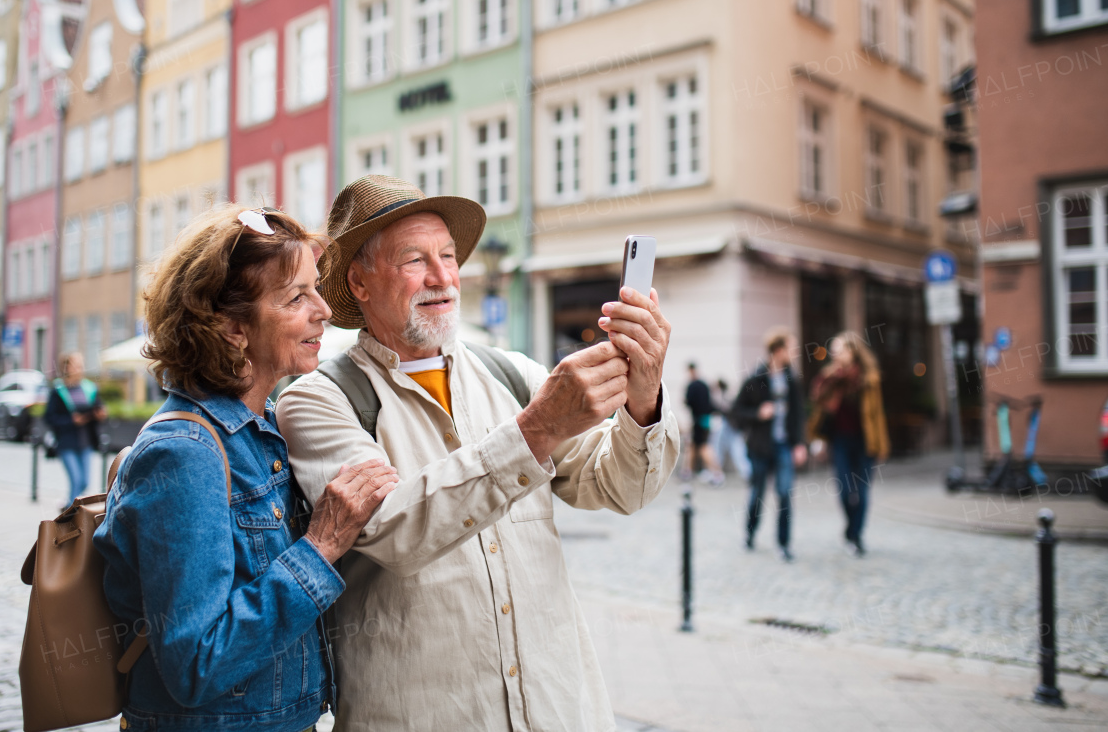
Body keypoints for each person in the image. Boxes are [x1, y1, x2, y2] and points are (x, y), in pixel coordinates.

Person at [279, 175, 678, 732]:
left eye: (448, 255)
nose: (443, 276)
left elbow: (623, 488)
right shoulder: (317, 400)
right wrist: (535, 431)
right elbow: (395, 531)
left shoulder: (513, 373)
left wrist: (643, 400)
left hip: (558, 709)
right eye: (415, 259)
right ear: (360, 283)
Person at [94, 206, 399, 731]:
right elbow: (196, 663)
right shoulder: (185, 454)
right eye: (297, 297)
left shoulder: (268, 427)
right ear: (234, 327)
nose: (324, 310)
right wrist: (320, 547)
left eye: (316, 289)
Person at [809, 331, 890, 557]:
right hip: (841, 441)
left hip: (866, 442)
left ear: (853, 351)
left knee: (862, 493)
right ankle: (850, 528)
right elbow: (817, 400)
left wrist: (882, 445)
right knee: (845, 492)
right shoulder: (830, 376)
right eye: (834, 350)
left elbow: (877, 415)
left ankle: (855, 535)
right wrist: (831, 379)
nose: (836, 354)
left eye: (840, 349)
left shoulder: (869, 378)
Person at [733, 327, 806, 562]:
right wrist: (758, 413)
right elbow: (735, 412)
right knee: (758, 493)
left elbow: (798, 414)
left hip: (784, 445)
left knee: (785, 493)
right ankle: (750, 533)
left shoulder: (791, 379)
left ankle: (784, 544)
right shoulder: (756, 379)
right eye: (790, 347)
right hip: (759, 447)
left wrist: (800, 444)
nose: (794, 352)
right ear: (778, 350)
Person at [44, 351, 106, 506]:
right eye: (76, 365)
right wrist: (71, 420)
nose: (79, 368)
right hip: (66, 442)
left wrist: (100, 414)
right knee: (76, 480)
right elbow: (49, 417)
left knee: (85, 482)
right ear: (66, 367)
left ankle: (68, 508)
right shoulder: (58, 390)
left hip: (86, 441)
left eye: (81, 365)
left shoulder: (89, 388)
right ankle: (70, 518)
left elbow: (98, 410)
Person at [684, 362, 724, 485]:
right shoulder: (704, 384)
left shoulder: (693, 385)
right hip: (705, 418)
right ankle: (687, 471)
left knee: (703, 447)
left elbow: (688, 402)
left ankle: (717, 473)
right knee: (693, 446)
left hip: (699, 419)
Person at [713, 377, 750, 480]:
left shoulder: (726, 396)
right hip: (729, 426)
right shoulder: (726, 395)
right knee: (719, 449)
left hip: (732, 427)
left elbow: (728, 410)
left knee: (737, 451)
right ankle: (716, 472)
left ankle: (747, 473)